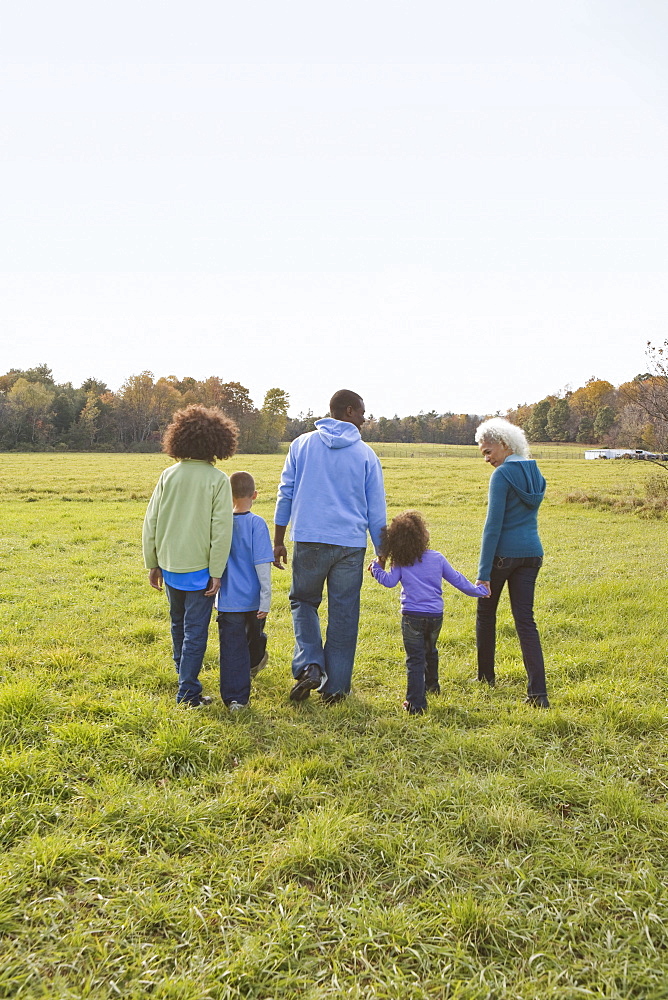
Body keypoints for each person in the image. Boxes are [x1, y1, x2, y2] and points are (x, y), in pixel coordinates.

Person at [274, 389, 386, 703]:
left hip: (309, 539)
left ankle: (310, 664)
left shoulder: (301, 445)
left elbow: (286, 494)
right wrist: (382, 550)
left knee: (304, 602)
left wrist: (279, 540)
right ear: (348, 411)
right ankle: (335, 688)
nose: (364, 418)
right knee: (344, 614)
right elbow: (376, 508)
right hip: (350, 545)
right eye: (362, 411)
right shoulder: (366, 455)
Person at [142, 405, 237, 707]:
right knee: (195, 632)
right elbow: (221, 530)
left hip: (170, 565)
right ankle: (187, 693)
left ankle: (186, 683)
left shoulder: (168, 475)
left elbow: (151, 521)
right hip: (201, 569)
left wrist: (152, 562)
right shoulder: (218, 479)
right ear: (218, 443)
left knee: (177, 626)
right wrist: (217, 570)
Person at [369, 511, 488, 714]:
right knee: (430, 651)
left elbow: (389, 582)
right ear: (423, 535)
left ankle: (416, 704)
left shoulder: (400, 561)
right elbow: (457, 579)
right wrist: (480, 590)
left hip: (411, 617)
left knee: (415, 659)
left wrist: (376, 568)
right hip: (435, 616)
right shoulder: (437, 558)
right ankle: (432, 686)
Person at [474, 417, 550, 708]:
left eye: (487, 451)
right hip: (533, 554)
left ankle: (485, 677)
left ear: (504, 444)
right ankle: (538, 694)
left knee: (485, 612)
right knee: (525, 621)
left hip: (504, 556)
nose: (486, 458)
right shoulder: (536, 472)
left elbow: (492, 526)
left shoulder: (503, 475)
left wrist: (483, 573)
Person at [216, 471, 274, 711]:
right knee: (252, 640)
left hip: (228, 599)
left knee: (231, 650)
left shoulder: (221, 523)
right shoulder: (257, 524)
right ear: (255, 495)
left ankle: (235, 699)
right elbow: (262, 565)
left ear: (229, 496)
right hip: (252, 599)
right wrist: (266, 599)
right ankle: (255, 663)